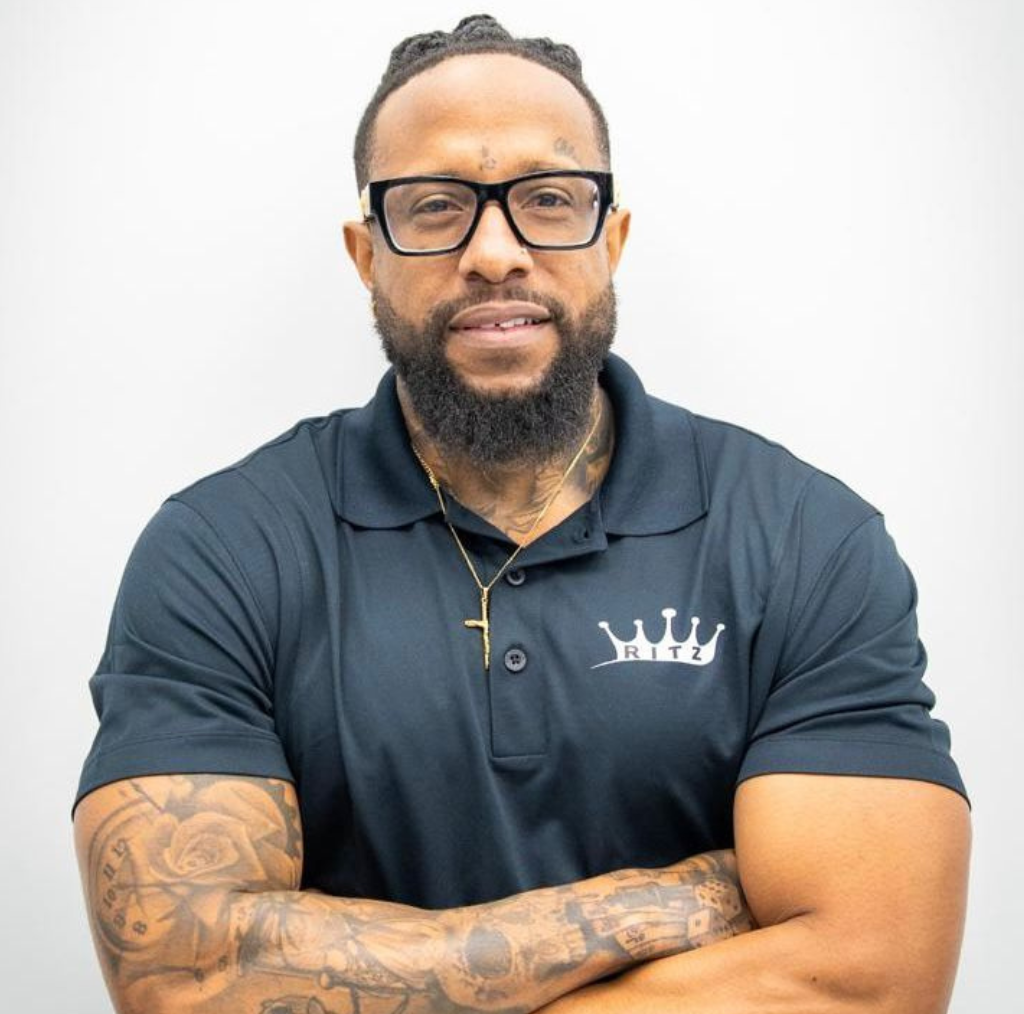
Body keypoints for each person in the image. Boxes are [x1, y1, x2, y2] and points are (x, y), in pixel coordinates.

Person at [72, 13, 971, 1014]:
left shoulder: (805, 540)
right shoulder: (222, 553)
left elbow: (870, 979)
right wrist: (649, 907)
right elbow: (183, 978)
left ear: (612, 238)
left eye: (548, 199)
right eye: (435, 206)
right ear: (366, 254)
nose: (494, 252)